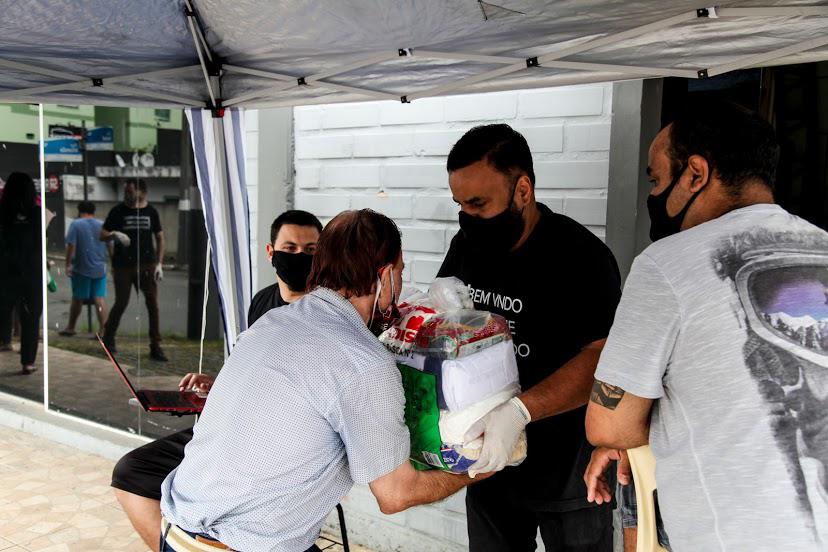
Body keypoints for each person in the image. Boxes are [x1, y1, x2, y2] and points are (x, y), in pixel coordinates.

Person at [160, 209, 496, 552]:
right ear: (385, 277)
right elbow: (396, 495)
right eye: (400, 274)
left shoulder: (271, 321)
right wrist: (482, 466)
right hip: (241, 544)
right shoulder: (364, 363)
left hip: (177, 529)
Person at [585, 101, 828, 550]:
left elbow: (608, 426)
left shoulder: (667, 264)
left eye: (657, 179)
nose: (655, 194)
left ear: (695, 174)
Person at [437, 124, 622, 551]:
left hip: (569, 470)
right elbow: (448, 328)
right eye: (460, 205)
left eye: (479, 203)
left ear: (522, 190)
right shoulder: (467, 245)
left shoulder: (581, 257)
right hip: (490, 462)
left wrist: (520, 411)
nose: (468, 217)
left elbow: (601, 356)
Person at [112, 210, 324, 552]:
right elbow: (249, 370)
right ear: (271, 253)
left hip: (274, 447)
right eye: (291, 247)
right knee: (131, 473)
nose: (300, 257)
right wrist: (218, 383)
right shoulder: (263, 302)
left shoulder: (323, 315)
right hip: (230, 429)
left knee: (228, 508)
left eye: (311, 250)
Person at [100, 179, 167, 361]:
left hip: (147, 264)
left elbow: (160, 238)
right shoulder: (118, 211)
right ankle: (108, 339)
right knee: (121, 302)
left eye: (131, 192)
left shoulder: (151, 212)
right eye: (126, 192)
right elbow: (102, 234)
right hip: (123, 265)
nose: (127, 196)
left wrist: (159, 264)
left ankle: (155, 345)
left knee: (152, 304)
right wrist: (114, 234)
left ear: (143, 193)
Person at [0, 173, 44, 374]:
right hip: (31, 272)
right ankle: (28, 362)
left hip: (6, 270)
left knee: (3, 310)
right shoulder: (37, 213)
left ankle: (5, 340)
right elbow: (39, 242)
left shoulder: (2, 212)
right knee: (31, 318)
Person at [59, 201, 109, 336]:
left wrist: (68, 264)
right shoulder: (102, 224)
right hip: (100, 268)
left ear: (80, 211)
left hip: (81, 268)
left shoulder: (76, 224)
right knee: (99, 298)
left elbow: (71, 246)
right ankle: (104, 330)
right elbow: (109, 245)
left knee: (78, 298)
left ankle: (71, 327)